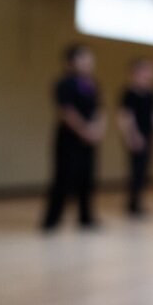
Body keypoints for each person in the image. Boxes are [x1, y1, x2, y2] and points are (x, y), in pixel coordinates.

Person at [42, 44, 104, 231]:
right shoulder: (64, 83)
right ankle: (51, 220)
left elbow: (100, 110)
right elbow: (66, 111)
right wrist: (84, 130)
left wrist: (97, 129)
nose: (88, 62)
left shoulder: (93, 84)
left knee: (87, 178)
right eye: (83, 58)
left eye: (89, 58)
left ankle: (86, 217)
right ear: (71, 62)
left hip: (90, 139)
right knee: (63, 178)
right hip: (69, 139)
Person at [117, 58, 153, 217]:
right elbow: (124, 116)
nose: (151, 74)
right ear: (137, 72)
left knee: (145, 170)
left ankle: (138, 201)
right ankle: (133, 204)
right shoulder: (129, 93)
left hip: (148, 135)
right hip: (136, 136)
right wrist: (132, 135)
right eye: (148, 70)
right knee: (136, 170)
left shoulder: (152, 92)